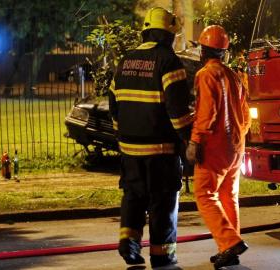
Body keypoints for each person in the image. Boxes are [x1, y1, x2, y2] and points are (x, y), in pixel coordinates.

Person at [108, 7, 192, 268]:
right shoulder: (169, 62)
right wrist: (189, 139)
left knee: (133, 197)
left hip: (130, 149)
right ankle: (162, 255)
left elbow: (113, 103)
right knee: (162, 203)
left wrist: (123, 132)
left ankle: (128, 243)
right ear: (168, 35)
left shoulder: (126, 60)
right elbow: (178, 113)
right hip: (161, 152)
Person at [186, 25, 251, 269]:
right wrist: (238, 138)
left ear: (203, 51)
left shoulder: (205, 75)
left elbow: (207, 113)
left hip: (214, 147)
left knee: (204, 195)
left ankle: (230, 242)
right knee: (228, 196)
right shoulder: (233, 75)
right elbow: (245, 115)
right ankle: (228, 249)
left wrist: (195, 141)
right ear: (223, 52)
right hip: (235, 147)